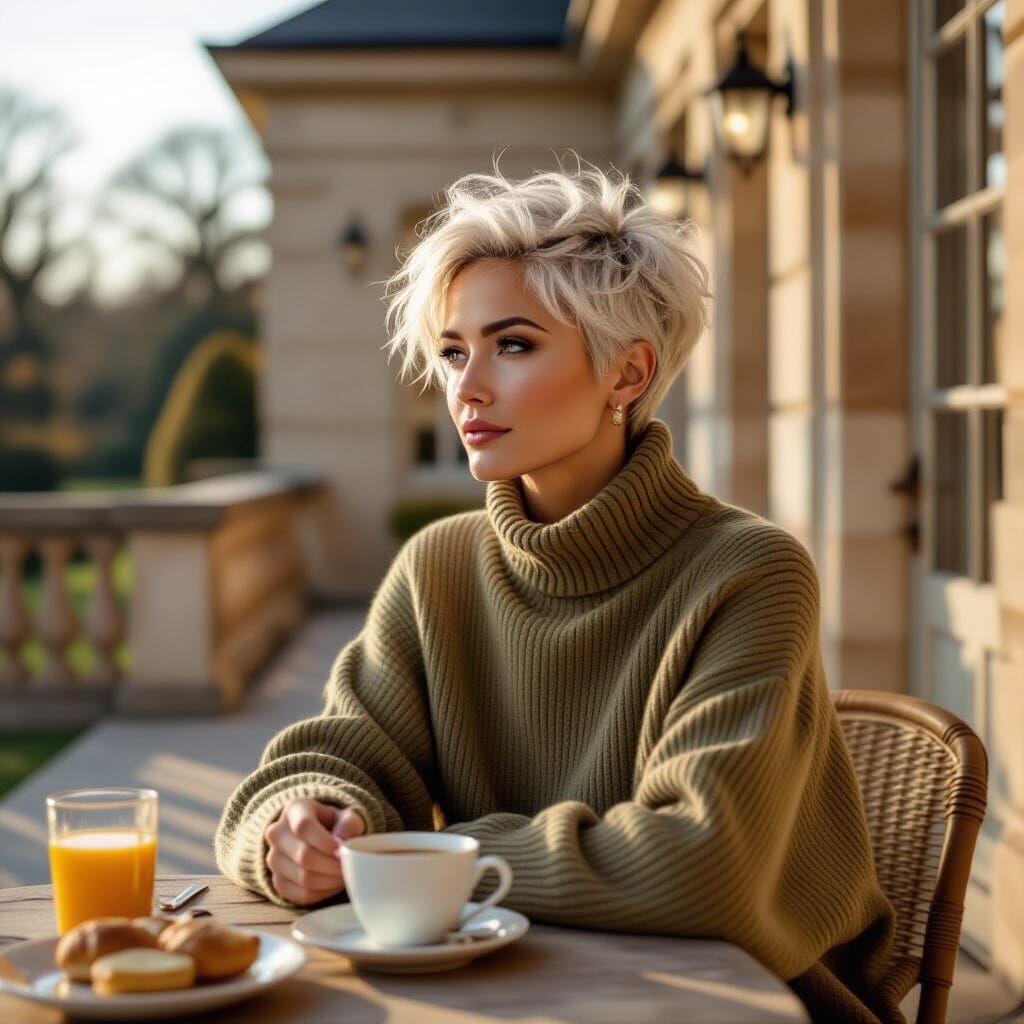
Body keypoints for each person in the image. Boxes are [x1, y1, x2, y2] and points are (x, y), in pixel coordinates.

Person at [215, 156, 909, 1023]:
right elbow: (335, 757)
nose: (465, 388)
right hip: (515, 988)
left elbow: (700, 867)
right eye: (453, 351)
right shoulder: (439, 568)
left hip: (735, 1003)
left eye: (512, 345)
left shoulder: (750, 571)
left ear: (627, 374)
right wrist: (307, 827)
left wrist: (427, 862)